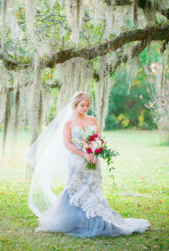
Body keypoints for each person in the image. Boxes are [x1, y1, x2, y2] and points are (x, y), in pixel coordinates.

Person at [26, 91, 150, 238]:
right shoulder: (69, 123)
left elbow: (97, 138)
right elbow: (67, 143)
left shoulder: (93, 120)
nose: (85, 108)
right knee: (76, 189)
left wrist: (97, 150)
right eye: (82, 105)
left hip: (93, 160)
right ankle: (72, 221)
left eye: (87, 105)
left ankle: (98, 219)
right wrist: (83, 153)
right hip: (77, 162)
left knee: (93, 188)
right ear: (75, 105)